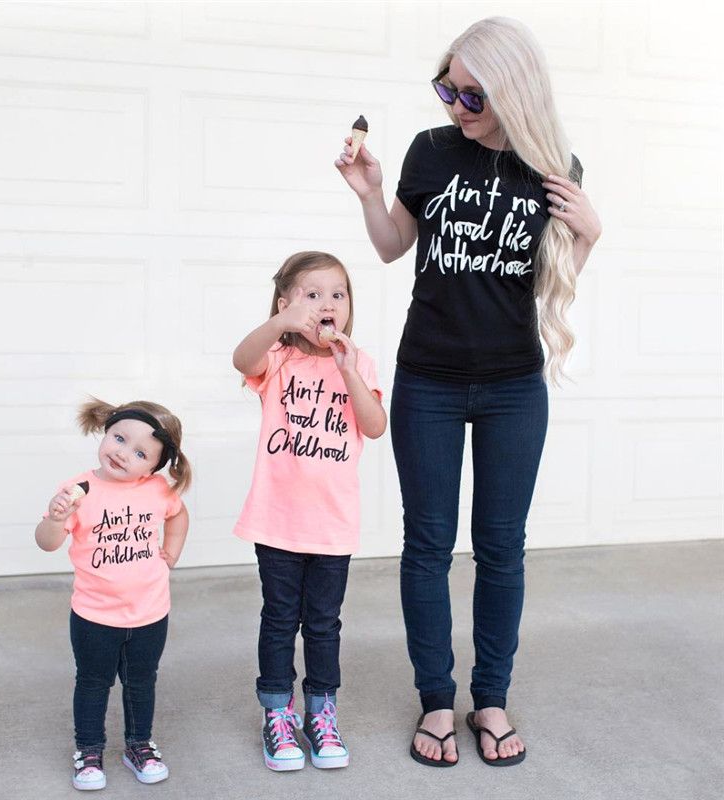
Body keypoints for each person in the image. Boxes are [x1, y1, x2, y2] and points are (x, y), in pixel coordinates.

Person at [335, 16, 601, 768]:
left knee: (501, 550)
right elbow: (393, 248)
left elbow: (552, 281)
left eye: (472, 94)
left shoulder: (554, 167)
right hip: (430, 377)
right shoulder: (431, 150)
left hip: (515, 383)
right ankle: (434, 701)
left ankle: (490, 698)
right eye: (446, 87)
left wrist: (587, 236)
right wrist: (371, 192)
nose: (455, 105)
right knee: (426, 547)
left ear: (512, 90)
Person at [232, 251, 386, 771]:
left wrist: (349, 373)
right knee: (279, 619)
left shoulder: (358, 362)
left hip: (332, 525)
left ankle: (322, 710)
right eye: (311, 295)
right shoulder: (276, 358)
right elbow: (240, 358)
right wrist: (279, 323)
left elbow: (374, 425)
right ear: (286, 304)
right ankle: (277, 713)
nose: (326, 304)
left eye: (337, 295)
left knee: (323, 624)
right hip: (277, 520)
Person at [35, 398, 191, 790]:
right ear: (106, 431)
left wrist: (171, 551)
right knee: (92, 681)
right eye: (119, 438)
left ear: (154, 466)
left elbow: (179, 514)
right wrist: (55, 520)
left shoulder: (157, 490)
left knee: (141, 681)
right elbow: (46, 543)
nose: (123, 453)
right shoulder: (79, 490)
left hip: (150, 613)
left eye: (140, 453)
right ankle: (88, 750)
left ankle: (139, 744)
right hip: (94, 614)